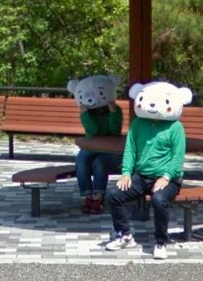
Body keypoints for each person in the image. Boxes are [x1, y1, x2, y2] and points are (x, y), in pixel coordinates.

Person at [104, 81, 192, 260]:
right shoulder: (138, 124)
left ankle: (160, 241)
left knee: (159, 200)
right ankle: (124, 235)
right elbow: (130, 149)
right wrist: (126, 173)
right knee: (113, 194)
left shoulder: (175, 127)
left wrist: (166, 177)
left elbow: (178, 157)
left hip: (168, 178)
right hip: (141, 176)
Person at [67, 75, 123, 214]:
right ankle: (87, 195)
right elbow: (92, 131)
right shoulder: (87, 113)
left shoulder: (116, 110)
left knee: (100, 163)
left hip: (111, 149)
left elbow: (114, 130)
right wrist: (85, 114)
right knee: (81, 160)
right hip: (91, 146)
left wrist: (113, 112)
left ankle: (98, 197)